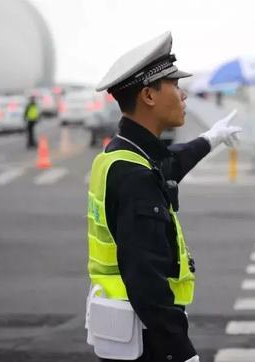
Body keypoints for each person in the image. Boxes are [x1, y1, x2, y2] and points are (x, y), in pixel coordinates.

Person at [86, 31, 241, 362]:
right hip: (146, 340)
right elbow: (147, 280)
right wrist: (182, 352)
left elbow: (171, 162)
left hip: (125, 330)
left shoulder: (121, 153)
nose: (184, 95)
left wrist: (211, 139)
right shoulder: (135, 176)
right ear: (149, 96)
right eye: (174, 85)